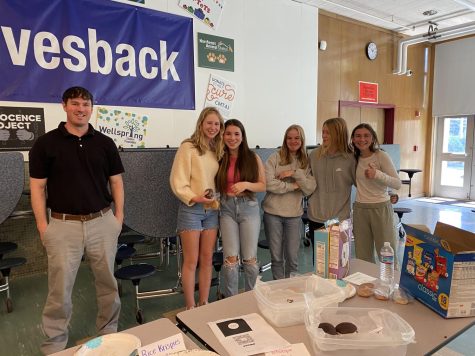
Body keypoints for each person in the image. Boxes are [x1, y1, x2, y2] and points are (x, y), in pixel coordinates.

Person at [29, 87, 124, 354]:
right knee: (59, 289)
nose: (81, 108)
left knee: (108, 283)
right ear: (64, 106)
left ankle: (109, 331)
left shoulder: (105, 144)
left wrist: (118, 218)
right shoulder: (45, 144)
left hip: (102, 222)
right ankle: (55, 343)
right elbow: (37, 188)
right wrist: (42, 226)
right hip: (62, 225)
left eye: (85, 104)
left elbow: (116, 182)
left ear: (92, 108)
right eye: (75, 103)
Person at [170, 107, 224, 309]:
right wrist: (194, 197)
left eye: (217, 124)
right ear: (201, 123)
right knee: (191, 260)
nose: (213, 127)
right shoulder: (188, 147)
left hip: (212, 210)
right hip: (191, 209)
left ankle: (204, 302)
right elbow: (177, 181)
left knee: (207, 259)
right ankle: (190, 307)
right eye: (209, 123)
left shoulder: (218, 150)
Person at [216, 119, 266, 296]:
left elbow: (262, 185)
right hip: (227, 209)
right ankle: (232, 300)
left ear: (243, 137)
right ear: (223, 136)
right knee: (230, 259)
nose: (232, 137)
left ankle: (250, 297)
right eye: (228, 133)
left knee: (250, 259)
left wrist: (245, 184)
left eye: (236, 134)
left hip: (248, 208)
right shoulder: (220, 157)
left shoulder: (253, 158)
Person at [262, 125, 316, 279]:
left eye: (297, 138)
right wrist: (293, 185)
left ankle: (292, 291)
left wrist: (293, 173)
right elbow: (268, 183)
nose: (293, 141)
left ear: (302, 140)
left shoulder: (306, 161)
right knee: (277, 258)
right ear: (285, 140)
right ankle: (279, 291)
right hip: (272, 214)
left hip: (294, 215)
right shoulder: (275, 157)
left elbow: (310, 188)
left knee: (292, 258)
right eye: (289, 138)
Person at [351, 123, 401, 264]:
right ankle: (366, 285)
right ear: (353, 139)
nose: (362, 139)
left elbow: (397, 183)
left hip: (381, 208)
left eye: (366, 136)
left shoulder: (381, 156)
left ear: (373, 138)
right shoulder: (354, 158)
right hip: (360, 209)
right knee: (362, 256)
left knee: (387, 255)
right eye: (358, 136)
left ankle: (390, 285)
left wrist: (377, 174)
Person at [307, 117, 356, 263]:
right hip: (316, 216)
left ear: (338, 134)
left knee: (339, 263)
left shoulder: (350, 158)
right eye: (323, 132)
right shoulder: (314, 155)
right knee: (320, 263)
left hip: (340, 220)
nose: (324, 136)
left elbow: (362, 183)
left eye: (328, 132)